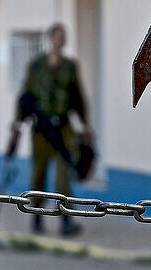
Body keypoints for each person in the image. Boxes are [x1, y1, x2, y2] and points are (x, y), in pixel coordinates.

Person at [11, 23, 92, 235]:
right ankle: (37, 220)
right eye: (57, 37)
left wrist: (85, 125)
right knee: (39, 174)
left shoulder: (69, 66)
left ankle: (66, 221)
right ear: (50, 39)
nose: (60, 41)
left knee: (64, 175)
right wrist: (17, 124)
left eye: (63, 37)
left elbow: (78, 97)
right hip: (41, 129)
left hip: (64, 126)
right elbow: (25, 96)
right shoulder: (36, 66)